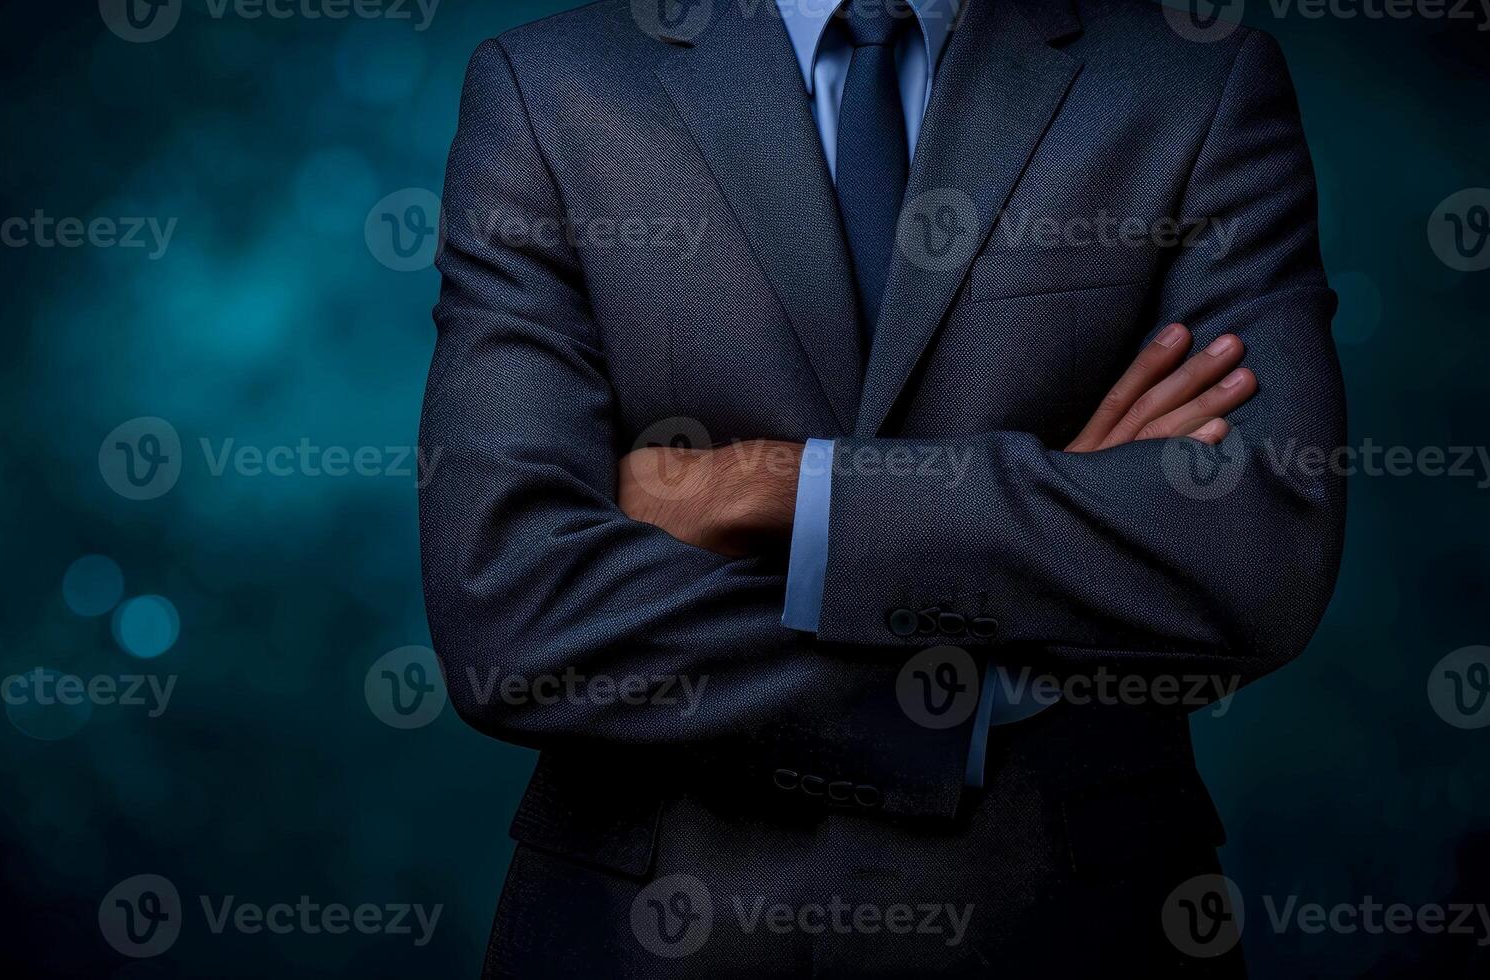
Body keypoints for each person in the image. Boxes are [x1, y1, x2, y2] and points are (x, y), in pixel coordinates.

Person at [418, 0, 1345, 974]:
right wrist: (994, 656)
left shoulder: (1195, 77)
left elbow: (1253, 552)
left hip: (1074, 932)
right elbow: (511, 608)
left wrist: (779, 488)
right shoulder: (548, 85)